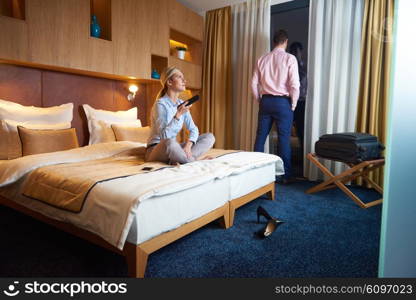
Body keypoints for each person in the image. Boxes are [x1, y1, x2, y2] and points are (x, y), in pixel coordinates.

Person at [251, 29, 300, 183]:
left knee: (260, 137)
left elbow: (253, 83)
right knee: (284, 140)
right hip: (282, 102)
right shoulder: (290, 58)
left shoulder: (262, 59)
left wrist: (259, 99)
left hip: (266, 101)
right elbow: (295, 84)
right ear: (285, 42)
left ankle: (254, 173)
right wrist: (293, 103)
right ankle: (285, 176)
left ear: (274, 42)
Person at [145, 66, 215, 164]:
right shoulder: (160, 104)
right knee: (170, 143)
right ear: (169, 82)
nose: (184, 80)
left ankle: (184, 157)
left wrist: (188, 146)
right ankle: (194, 161)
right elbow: (164, 137)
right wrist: (178, 115)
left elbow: (194, 129)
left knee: (209, 137)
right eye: (179, 77)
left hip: (174, 147)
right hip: (156, 148)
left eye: (183, 77)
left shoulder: (181, 103)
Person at [289, 42, 307, 153]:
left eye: (297, 51)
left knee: (301, 131)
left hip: (301, 102)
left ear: (301, 52)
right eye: (293, 52)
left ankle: (302, 158)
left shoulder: (305, 67)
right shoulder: (287, 66)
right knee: (286, 131)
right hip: (288, 102)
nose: (295, 54)